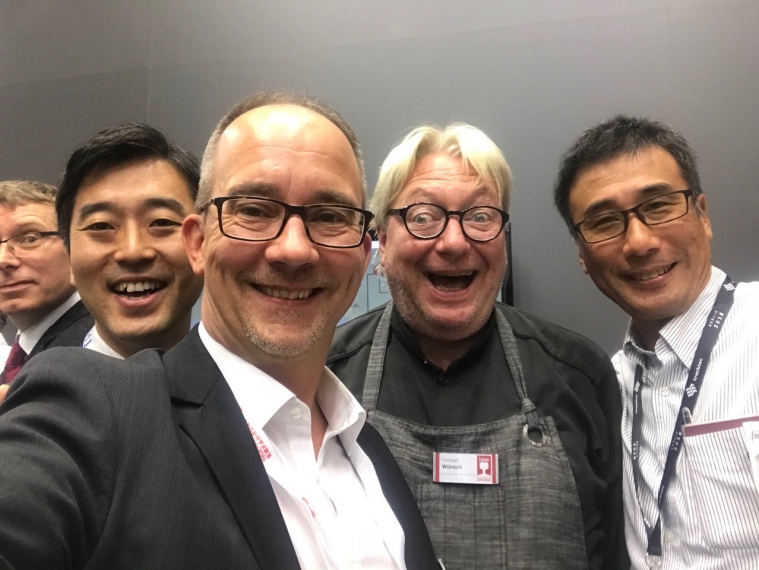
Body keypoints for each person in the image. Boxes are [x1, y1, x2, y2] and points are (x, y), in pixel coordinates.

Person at [0, 92, 437, 570]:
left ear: (362, 252)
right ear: (197, 242)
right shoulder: (96, 408)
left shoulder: (365, 442)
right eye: (254, 210)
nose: (293, 250)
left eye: (329, 216)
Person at [328, 124, 626, 570]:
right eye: (422, 217)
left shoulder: (579, 375)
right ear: (383, 242)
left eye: (481, 216)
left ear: (503, 240)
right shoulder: (323, 380)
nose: (453, 242)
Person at [554, 114, 759, 570]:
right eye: (604, 221)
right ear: (582, 255)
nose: (639, 242)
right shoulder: (605, 389)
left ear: (703, 214)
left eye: (659, 206)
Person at [55, 123, 204, 358]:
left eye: (161, 222)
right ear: (69, 254)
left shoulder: (250, 378)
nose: (133, 251)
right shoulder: (41, 379)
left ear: (202, 243)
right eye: (101, 226)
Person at [0, 180, 93, 386]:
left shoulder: (101, 347)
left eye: (30, 239)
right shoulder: (26, 353)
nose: (3, 260)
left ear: (74, 246)